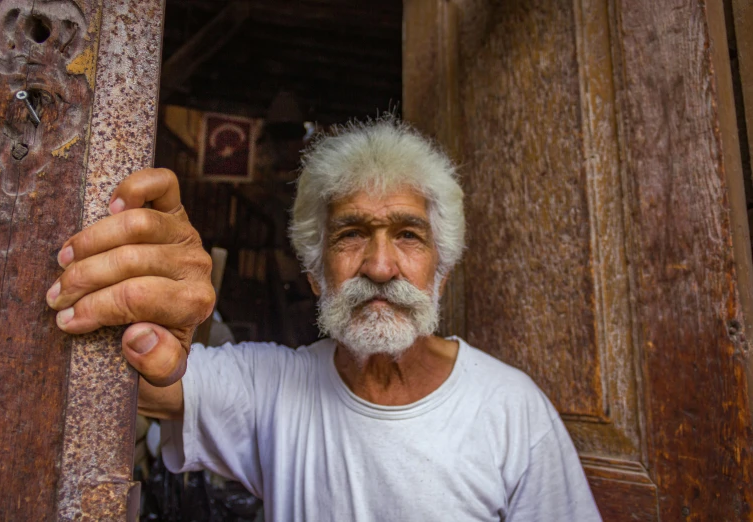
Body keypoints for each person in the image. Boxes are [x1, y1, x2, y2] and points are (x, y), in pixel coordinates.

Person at [47, 118, 602, 521]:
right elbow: (129, 385)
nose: (381, 266)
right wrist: (154, 313)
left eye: (408, 235)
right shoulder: (271, 388)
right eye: (351, 234)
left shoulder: (511, 410)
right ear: (315, 275)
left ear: (443, 270)